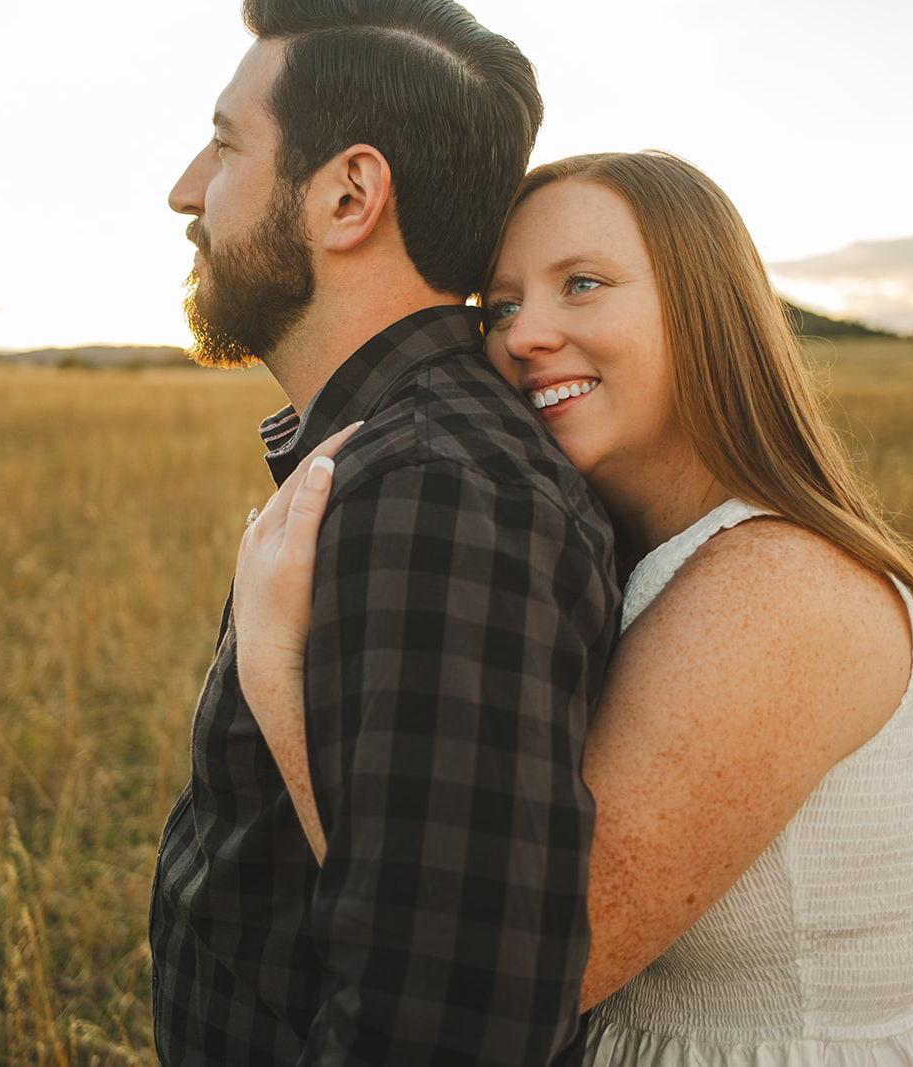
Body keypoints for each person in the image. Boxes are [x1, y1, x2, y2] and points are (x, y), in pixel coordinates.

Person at [233, 151, 913, 1065]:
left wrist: (274, 670)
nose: (523, 335)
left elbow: (493, 977)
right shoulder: (632, 550)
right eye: (498, 307)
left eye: (581, 284)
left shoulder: (779, 589)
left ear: (703, 309)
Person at [149, 2, 620, 1064]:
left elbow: (451, 1021)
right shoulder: (388, 459)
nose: (185, 188)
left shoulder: (435, 491)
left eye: (225, 145)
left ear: (348, 196)